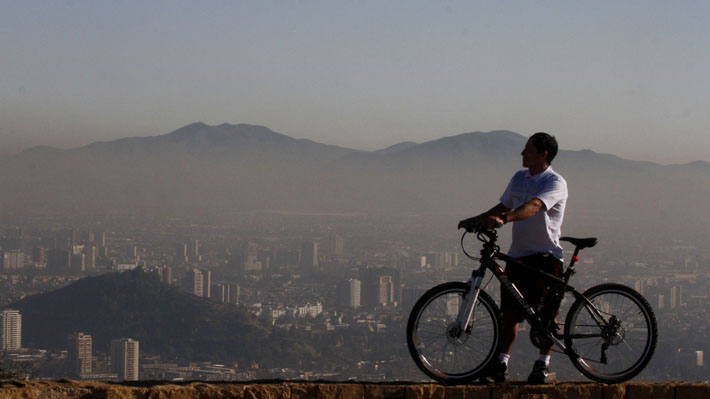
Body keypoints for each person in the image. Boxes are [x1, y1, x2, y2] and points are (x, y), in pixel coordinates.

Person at [457, 132, 567, 384]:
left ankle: (542, 364)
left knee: (546, 315)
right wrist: (477, 220)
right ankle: (501, 364)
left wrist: (504, 220)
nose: (522, 153)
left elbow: (535, 207)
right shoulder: (519, 177)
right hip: (518, 255)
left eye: (527, 150)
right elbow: (503, 206)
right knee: (509, 314)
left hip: (546, 256)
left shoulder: (555, 182)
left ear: (543, 154)